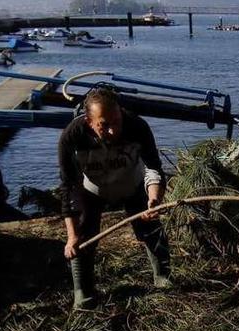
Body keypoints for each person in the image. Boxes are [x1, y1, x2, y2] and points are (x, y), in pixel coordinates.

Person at [59, 87, 171, 309]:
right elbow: (68, 187)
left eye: (116, 122)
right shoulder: (72, 136)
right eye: (104, 125)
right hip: (92, 189)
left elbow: (153, 167)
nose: (112, 131)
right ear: (89, 122)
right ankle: (83, 292)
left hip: (132, 183)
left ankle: (163, 276)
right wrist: (71, 236)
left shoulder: (137, 126)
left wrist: (154, 198)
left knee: (150, 228)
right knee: (83, 237)